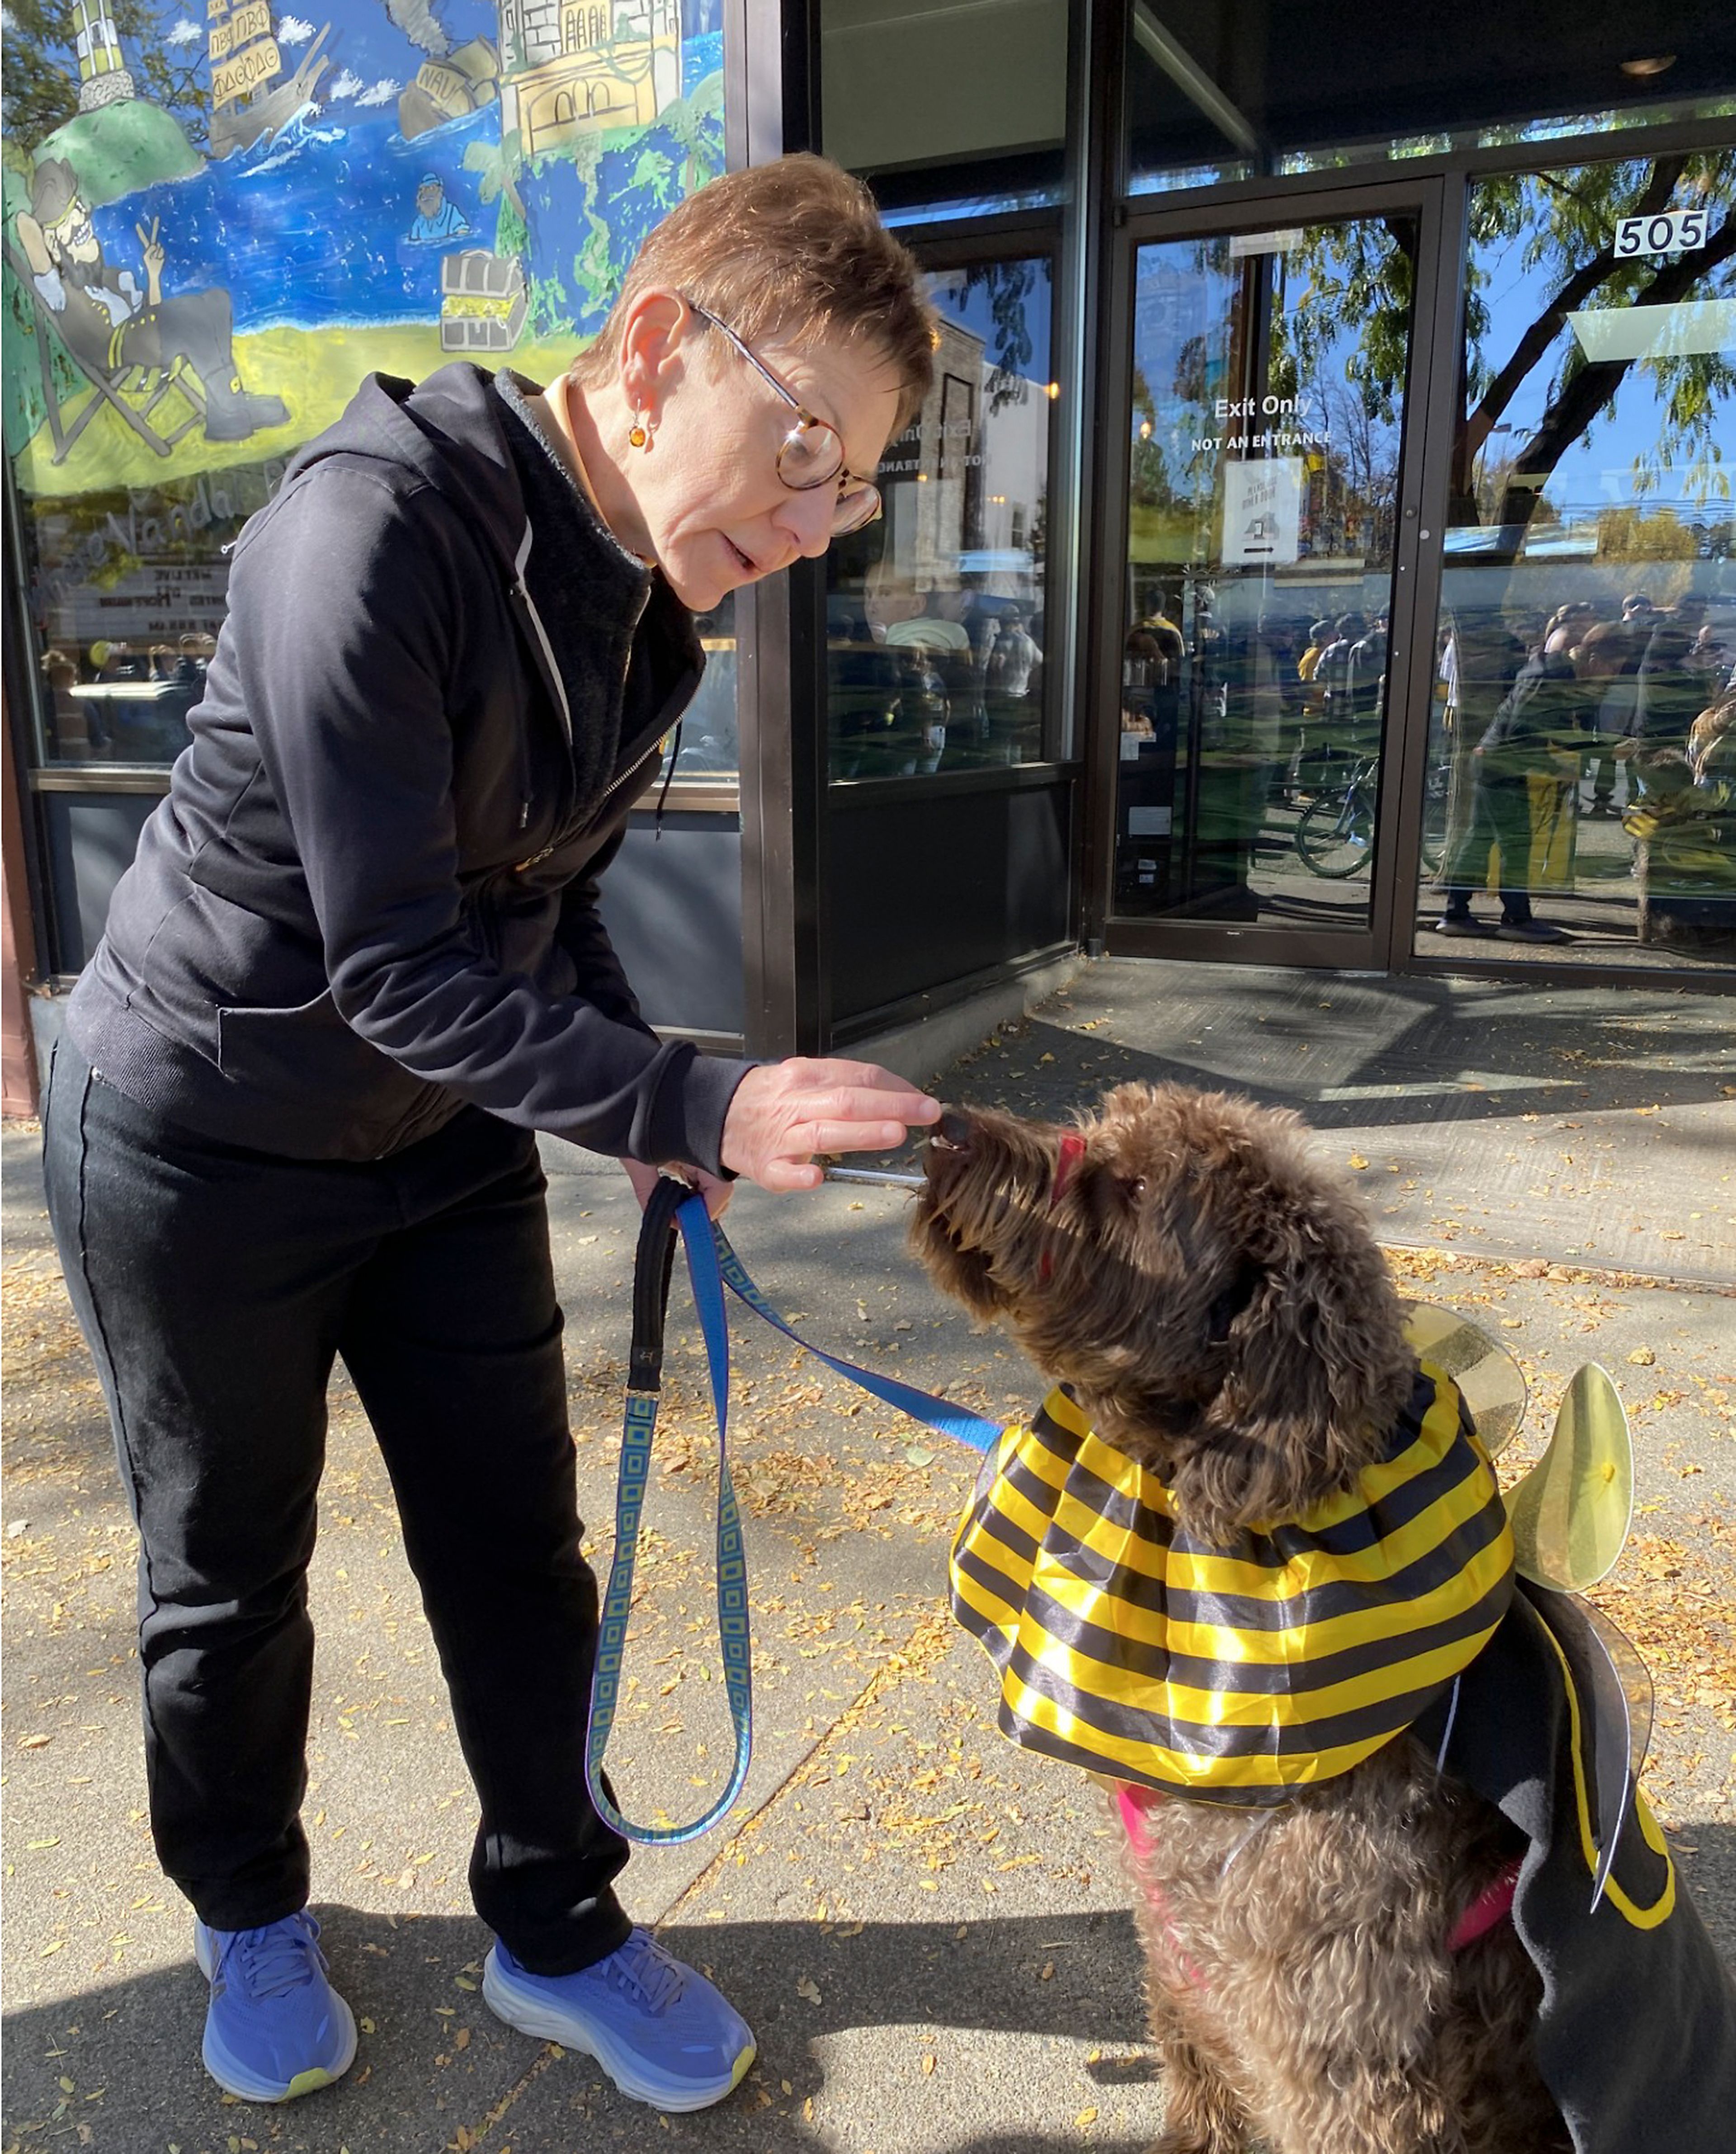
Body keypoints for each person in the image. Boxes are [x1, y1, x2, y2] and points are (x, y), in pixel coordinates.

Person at [41, 154, 940, 2116]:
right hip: (200, 1138)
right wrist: (698, 1093)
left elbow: (541, 896)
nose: (810, 524)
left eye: (846, 488)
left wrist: (638, 1102)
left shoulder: (650, 610)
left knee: (519, 1554)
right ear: (646, 350)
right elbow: (392, 958)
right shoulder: (364, 534)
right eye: (803, 449)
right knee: (225, 1568)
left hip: (435, 1137)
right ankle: (247, 1901)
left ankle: (555, 1916)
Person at [15, 158, 288, 443]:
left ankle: (230, 404)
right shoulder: (60, 295)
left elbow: (152, 315)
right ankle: (230, 410)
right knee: (190, 316)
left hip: (147, 350)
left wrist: (153, 274)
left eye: (79, 208)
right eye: (71, 216)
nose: (83, 218)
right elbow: (28, 231)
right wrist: (41, 220)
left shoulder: (112, 279)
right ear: (52, 243)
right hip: (127, 367)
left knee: (217, 300)